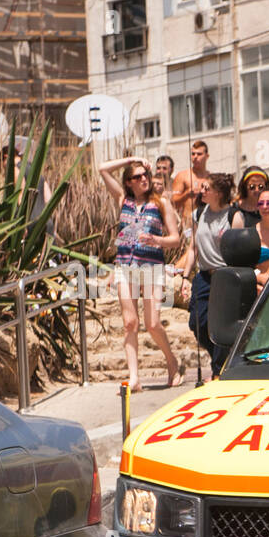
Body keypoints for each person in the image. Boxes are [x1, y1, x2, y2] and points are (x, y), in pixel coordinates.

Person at [99, 155, 184, 392]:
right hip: (125, 267)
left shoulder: (161, 203)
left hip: (151, 268)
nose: (143, 179)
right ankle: (134, 378)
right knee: (129, 323)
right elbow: (102, 167)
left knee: (153, 323)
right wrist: (132, 159)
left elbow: (176, 239)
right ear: (129, 182)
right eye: (137, 176)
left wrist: (156, 239)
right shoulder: (122, 200)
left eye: (145, 175)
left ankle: (171, 361)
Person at [178, 172, 235, 374]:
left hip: (225, 275)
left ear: (218, 193)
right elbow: (193, 247)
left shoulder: (233, 216)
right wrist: (185, 276)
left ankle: (218, 370)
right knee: (197, 323)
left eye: (206, 188)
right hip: (203, 275)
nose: (201, 191)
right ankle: (221, 359)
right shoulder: (199, 214)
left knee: (219, 324)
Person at [171, 141, 210, 230]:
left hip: (207, 223)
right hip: (188, 225)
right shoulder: (183, 176)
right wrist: (186, 195)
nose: (195, 157)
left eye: (199, 154)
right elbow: (173, 203)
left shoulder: (211, 178)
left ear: (207, 156)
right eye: (193, 154)